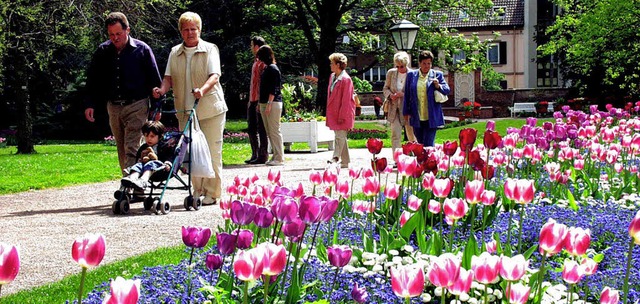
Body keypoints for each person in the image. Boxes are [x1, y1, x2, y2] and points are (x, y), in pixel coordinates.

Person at [152, 12, 227, 206]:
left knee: (211, 151)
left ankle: (212, 192)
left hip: (210, 109)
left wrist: (202, 90)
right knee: (191, 153)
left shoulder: (210, 49)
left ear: (199, 30)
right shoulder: (175, 51)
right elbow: (168, 78)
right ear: (181, 32)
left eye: (193, 29)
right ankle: (197, 190)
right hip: (185, 110)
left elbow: (214, 76)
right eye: (186, 29)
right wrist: (161, 89)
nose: (190, 32)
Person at [84, 12, 162, 173]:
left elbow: (155, 80)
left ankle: (133, 185)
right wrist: (90, 104)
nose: (115, 38)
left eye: (118, 33)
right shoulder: (103, 51)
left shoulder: (142, 50)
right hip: (113, 106)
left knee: (132, 146)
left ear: (128, 30)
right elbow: (93, 80)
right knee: (121, 147)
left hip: (137, 105)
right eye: (111, 34)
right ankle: (131, 183)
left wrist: (156, 106)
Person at [403, 50, 450, 146]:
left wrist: (438, 86)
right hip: (417, 116)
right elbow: (407, 95)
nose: (426, 66)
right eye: (424, 63)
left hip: (432, 116)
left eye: (429, 63)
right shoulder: (411, 76)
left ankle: (430, 161)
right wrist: (406, 112)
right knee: (420, 145)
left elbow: (447, 90)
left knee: (428, 145)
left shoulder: (437, 75)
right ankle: (423, 161)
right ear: (419, 63)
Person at [121, 121, 173, 190]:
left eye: (152, 136)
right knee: (138, 165)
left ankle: (143, 181)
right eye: (146, 136)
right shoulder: (143, 147)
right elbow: (139, 158)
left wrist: (168, 164)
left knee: (152, 163)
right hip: (144, 167)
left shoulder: (165, 147)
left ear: (160, 136)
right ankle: (132, 178)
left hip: (160, 170)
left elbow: (170, 156)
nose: (149, 139)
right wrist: (140, 160)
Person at [326, 53, 355, 168]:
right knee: (341, 136)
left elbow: (346, 99)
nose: (330, 65)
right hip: (334, 112)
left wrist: (342, 115)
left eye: (332, 63)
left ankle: (335, 157)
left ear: (338, 65)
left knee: (339, 136)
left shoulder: (346, 79)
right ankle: (345, 161)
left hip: (343, 112)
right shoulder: (332, 77)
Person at [256, 45, 284, 166]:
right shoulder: (267, 68)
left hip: (273, 102)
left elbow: (274, 88)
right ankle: (275, 156)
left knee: (274, 130)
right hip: (265, 102)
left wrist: (269, 103)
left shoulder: (273, 69)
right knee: (270, 131)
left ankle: (279, 157)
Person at [383, 51, 417, 151]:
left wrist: (404, 95)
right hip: (394, 109)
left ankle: (414, 156)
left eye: (401, 66)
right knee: (395, 135)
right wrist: (390, 95)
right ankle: (397, 159)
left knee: (411, 135)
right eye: (397, 66)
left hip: (408, 109)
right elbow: (385, 88)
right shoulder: (391, 73)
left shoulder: (413, 74)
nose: (399, 69)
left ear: (406, 64)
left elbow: (416, 92)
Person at [245, 36, 269, 164]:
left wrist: (260, 100)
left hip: (259, 100)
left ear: (256, 46)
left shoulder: (263, 64)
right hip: (253, 99)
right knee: (252, 128)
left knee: (261, 128)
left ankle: (262, 155)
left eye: (251, 45)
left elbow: (262, 84)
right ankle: (255, 153)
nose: (251, 48)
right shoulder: (256, 61)